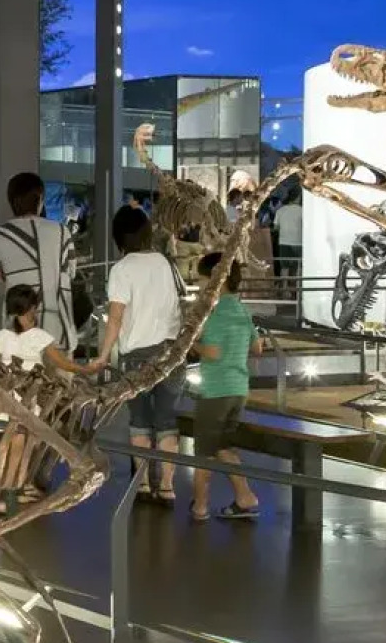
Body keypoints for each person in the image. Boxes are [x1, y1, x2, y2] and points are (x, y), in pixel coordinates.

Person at [83, 205, 185, 504]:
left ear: (119, 238)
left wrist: (103, 355)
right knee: (167, 421)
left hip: (138, 356)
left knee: (139, 420)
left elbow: (115, 317)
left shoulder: (122, 269)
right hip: (171, 353)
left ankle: (141, 484)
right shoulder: (165, 263)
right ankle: (167, 486)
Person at [0, 284, 87, 516]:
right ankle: (9, 492)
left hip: (2, 403)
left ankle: (3, 495)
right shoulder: (39, 337)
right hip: (25, 404)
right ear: (33, 308)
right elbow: (63, 364)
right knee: (18, 448)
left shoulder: (0, 337)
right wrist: (89, 369)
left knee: (4, 447)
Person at [190, 251, 262, 521]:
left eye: (201, 279)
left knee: (203, 454)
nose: (199, 284)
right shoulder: (241, 309)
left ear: (216, 279)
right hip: (238, 389)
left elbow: (213, 352)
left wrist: (189, 345)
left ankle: (200, 506)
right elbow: (257, 347)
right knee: (224, 447)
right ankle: (245, 497)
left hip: (215, 391)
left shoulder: (217, 311)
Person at [0, 173, 83, 347]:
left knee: (18, 371)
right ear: (40, 199)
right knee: (58, 373)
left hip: (18, 329)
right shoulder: (62, 232)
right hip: (58, 329)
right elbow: (71, 271)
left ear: (12, 200)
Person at [274, 190, 302, 288]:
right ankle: (297, 290)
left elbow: (276, 227)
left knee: (284, 267)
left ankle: (284, 289)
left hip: (283, 242)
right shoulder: (302, 211)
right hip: (298, 243)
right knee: (297, 267)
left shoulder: (280, 210)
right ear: (297, 198)